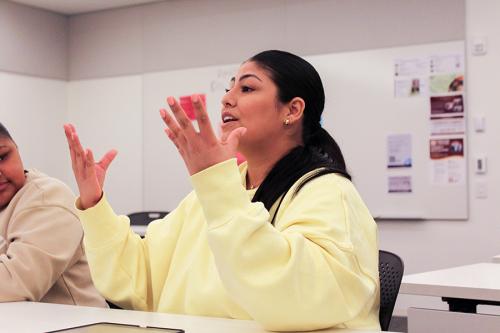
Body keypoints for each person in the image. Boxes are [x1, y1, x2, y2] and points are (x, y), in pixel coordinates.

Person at [64, 50, 380, 331]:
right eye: (230, 87)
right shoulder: (218, 190)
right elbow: (140, 278)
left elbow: (300, 299)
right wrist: (95, 205)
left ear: (293, 110)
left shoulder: (326, 191)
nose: (227, 98)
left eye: (247, 87)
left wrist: (215, 183)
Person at [0, 123, 107, 307]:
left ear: (17, 149)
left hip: (80, 326)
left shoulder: (47, 198)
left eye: (2, 157)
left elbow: (15, 284)